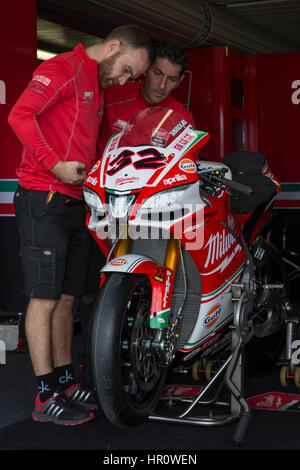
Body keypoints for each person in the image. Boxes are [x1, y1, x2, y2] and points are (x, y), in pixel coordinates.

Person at [8, 24, 152, 426]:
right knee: (44, 298)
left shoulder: (96, 84)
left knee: (68, 299)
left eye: (131, 77)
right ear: (113, 46)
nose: (125, 79)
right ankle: (44, 396)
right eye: (126, 69)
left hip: (76, 201)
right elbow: (19, 115)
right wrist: (54, 163)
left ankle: (66, 382)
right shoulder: (62, 68)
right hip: (44, 195)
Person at [98, 41, 195, 156]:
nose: (162, 85)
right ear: (146, 69)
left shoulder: (183, 119)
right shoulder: (113, 94)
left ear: (179, 81)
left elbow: (187, 164)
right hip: (103, 172)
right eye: (157, 73)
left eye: (171, 79)